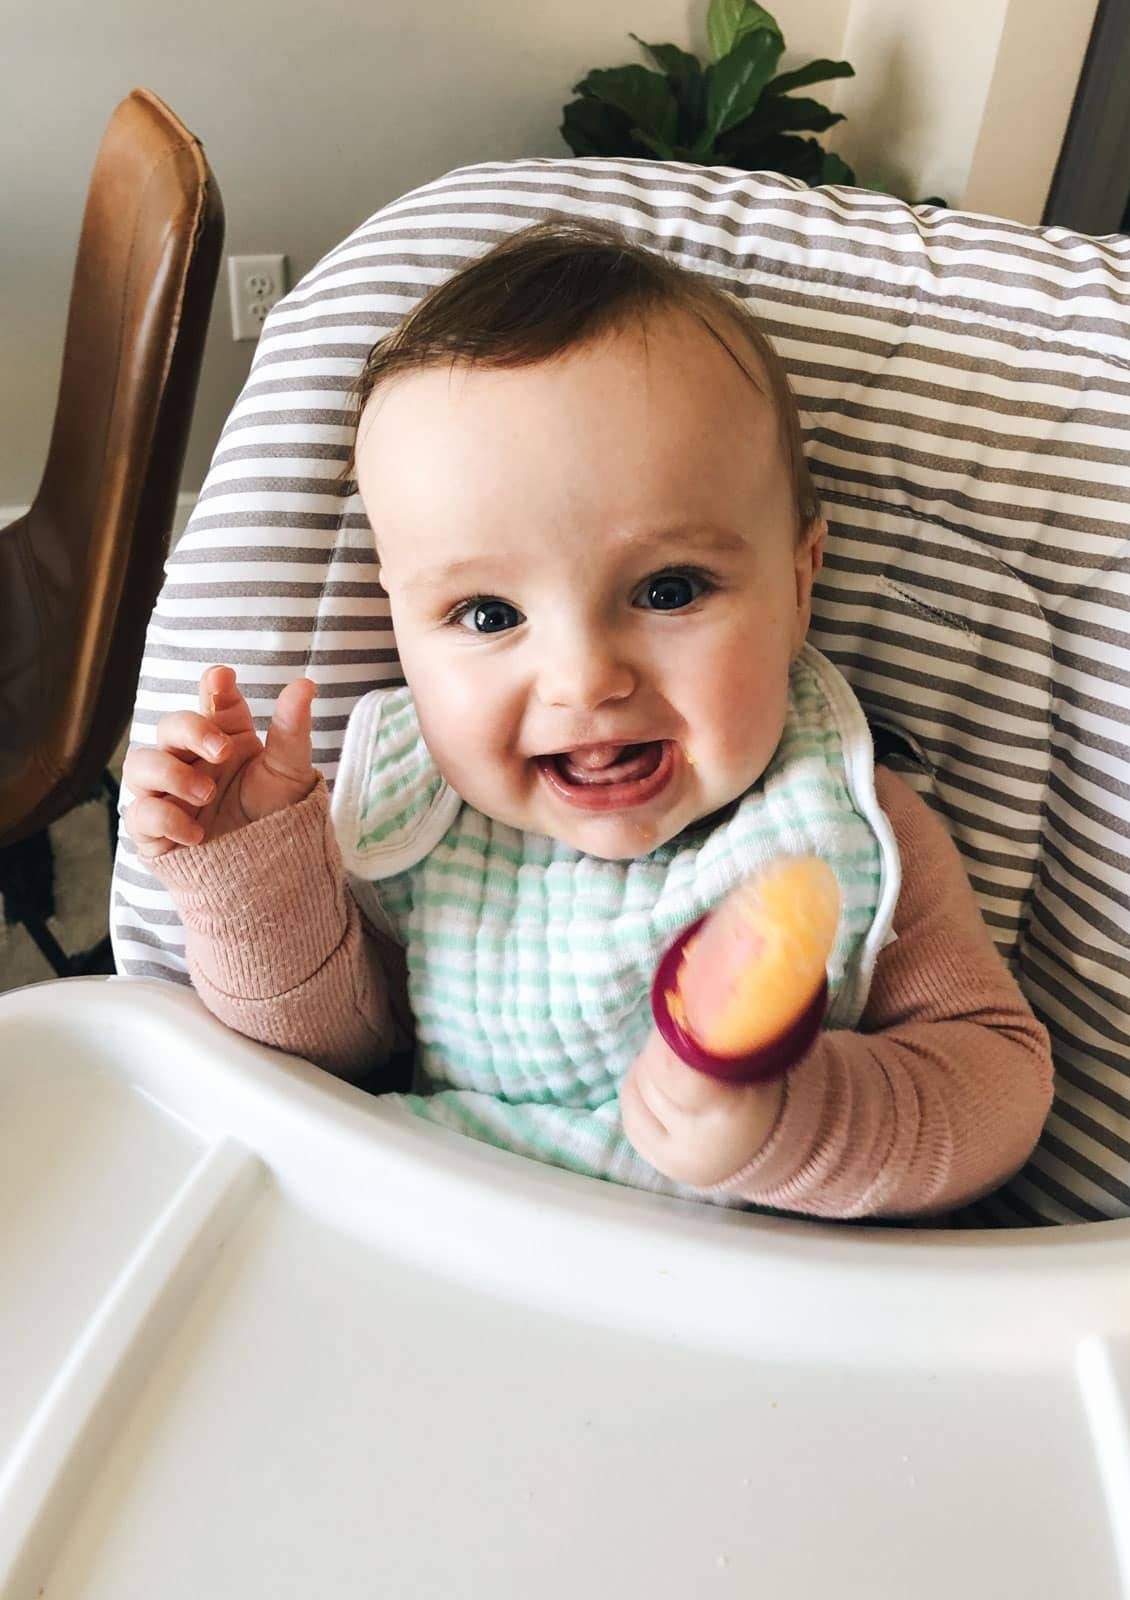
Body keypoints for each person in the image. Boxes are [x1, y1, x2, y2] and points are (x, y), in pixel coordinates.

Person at [122, 220, 1053, 1218]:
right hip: (444, 1248)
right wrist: (254, 877)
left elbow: (996, 1082)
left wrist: (787, 1118)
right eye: (488, 615)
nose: (584, 677)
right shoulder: (418, 821)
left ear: (798, 581)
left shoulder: (841, 822)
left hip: (747, 1311)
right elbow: (332, 1059)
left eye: (669, 588)